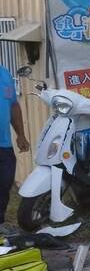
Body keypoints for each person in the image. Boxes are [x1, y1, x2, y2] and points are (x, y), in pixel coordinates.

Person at [0, 65, 29, 231]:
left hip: (4, 144)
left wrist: (21, 135)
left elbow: (13, 106)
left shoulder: (5, 74)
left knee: (4, 183)